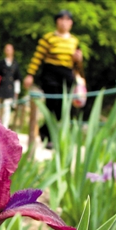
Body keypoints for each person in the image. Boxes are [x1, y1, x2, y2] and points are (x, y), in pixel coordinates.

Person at [23, 9, 83, 148]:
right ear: (57, 21)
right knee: (52, 105)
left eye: (67, 20)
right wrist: (30, 74)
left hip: (67, 75)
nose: (64, 23)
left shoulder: (74, 41)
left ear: (71, 23)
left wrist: (78, 60)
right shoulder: (48, 38)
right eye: (61, 19)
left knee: (63, 108)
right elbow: (37, 58)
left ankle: (47, 132)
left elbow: (77, 66)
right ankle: (50, 137)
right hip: (50, 74)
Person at [0, 43, 21, 128]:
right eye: (6, 49)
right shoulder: (1, 63)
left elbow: (17, 79)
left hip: (9, 90)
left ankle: (4, 127)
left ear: (13, 51)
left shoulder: (15, 64)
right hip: (0, 89)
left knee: (7, 109)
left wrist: (16, 92)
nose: (8, 51)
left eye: (9, 49)